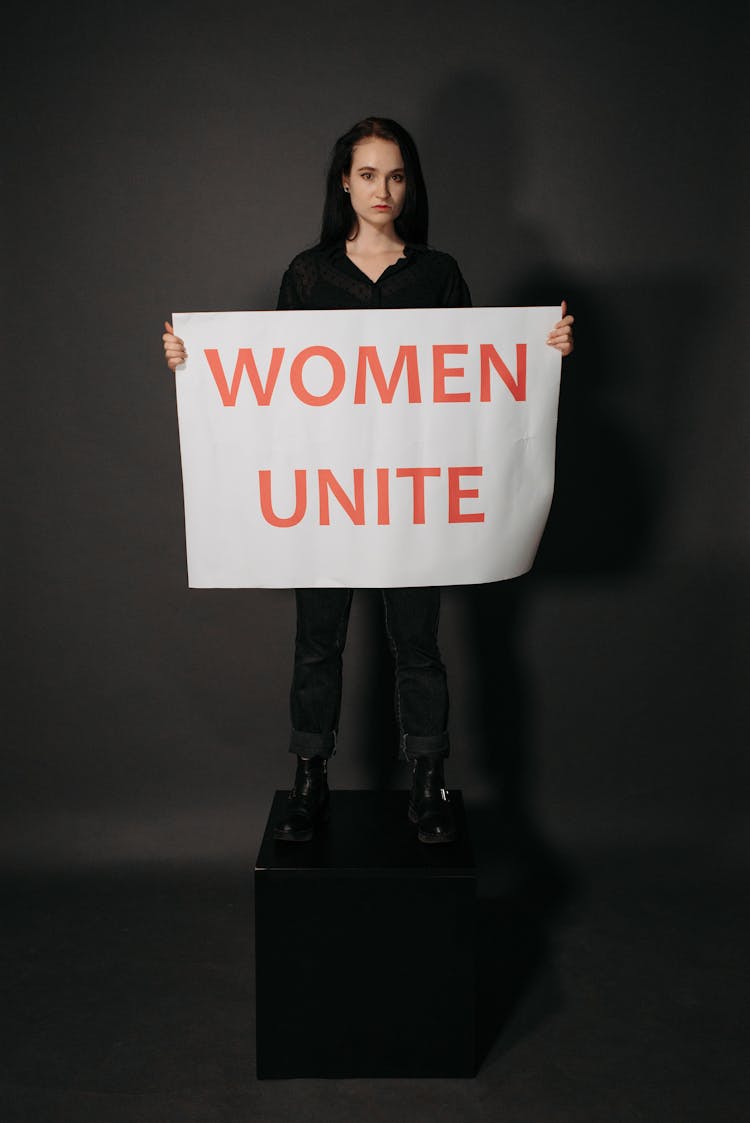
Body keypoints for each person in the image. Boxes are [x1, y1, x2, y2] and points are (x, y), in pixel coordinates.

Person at [163, 116, 574, 845]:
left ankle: (428, 780)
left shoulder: (437, 273)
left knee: (419, 644)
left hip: (413, 496)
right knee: (317, 641)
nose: (382, 189)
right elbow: (270, 384)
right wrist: (194, 364)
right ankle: (309, 779)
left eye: (395, 175)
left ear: (409, 184)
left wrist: (544, 355)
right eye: (367, 174)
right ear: (344, 184)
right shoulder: (309, 274)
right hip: (329, 495)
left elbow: (477, 383)